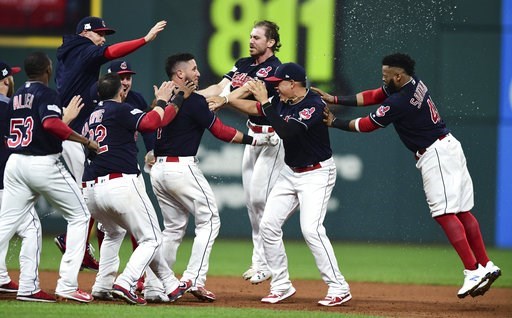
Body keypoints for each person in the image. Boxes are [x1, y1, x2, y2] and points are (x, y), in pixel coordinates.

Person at [314, 52, 501, 299]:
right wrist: (335, 98)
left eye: (386, 75)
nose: (383, 78)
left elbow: (368, 125)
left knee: (444, 214)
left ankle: (472, 270)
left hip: (435, 154)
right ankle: (486, 264)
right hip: (449, 145)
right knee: (462, 211)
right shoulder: (413, 83)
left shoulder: (400, 101)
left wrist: (335, 122)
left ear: (398, 76)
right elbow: (374, 95)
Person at [147, 53, 276, 302]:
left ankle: (154, 287)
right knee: (210, 220)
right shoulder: (193, 101)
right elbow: (221, 131)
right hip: (181, 168)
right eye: (193, 69)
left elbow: (151, 125)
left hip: (159, 170)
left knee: (172, 229)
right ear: (180, 74)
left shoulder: (161, 99)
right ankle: (193, 278)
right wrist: (254, 139)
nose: (198, 73)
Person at [225, 62, 352, 306]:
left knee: (311, 230)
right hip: (290, 173)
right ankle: (281, 284)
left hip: (317, 174)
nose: (275, 89)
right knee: (268, 225)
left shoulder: (313, 105)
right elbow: (258, 109)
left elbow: (287, 132)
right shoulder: (283, 102)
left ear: (292, 84)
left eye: (278, 84)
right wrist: (227, 100)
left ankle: (339, 286)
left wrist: (266, 102)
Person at [54, 16, 167, 271]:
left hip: (74, 128)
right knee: (86, 192)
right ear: (85, 33)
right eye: (99, 32)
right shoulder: (83, 50)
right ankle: (72, 252)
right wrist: (145, 40)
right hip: (73, 130)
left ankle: (80, 247)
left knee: (91, 192)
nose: (103, 38)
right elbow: (111, 51)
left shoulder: (73, 53)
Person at [83, 72, 192, 305]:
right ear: (121, 92)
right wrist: (165, 100)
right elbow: (152, 122)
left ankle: (104, 285)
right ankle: (126, 281)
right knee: (151, 238)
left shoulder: (91, 116)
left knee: (113, 232)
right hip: (119, 183)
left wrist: (176, 100)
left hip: (91, 189)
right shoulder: (120, 109)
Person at [0, 52, 99, 302]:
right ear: (47, 70)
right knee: (81, 216)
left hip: (15, 164)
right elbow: (51, 125)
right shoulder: (47, 94)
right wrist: (85, 140)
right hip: (42, 163)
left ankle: (28, 288)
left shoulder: (16, 96)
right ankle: (67, 284)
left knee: (5, 225)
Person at [203, 20, 285, 284]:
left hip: (273, 139)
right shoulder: (242, 64)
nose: (251, 41)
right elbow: (219, 88)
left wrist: (225, 100)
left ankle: (267, 263)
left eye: (257, 37)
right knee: (251, 201)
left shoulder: (275, 68)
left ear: (270, 42)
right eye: (250, 36)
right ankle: (259, 262)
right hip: (253, 137)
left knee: (261, 199)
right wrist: (186, 95)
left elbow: (245, 90)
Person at [0, 60, 22, 294]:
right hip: (3, 178)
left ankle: (2, 277)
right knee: (30, 227)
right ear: (6, 80)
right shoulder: (9, 108)